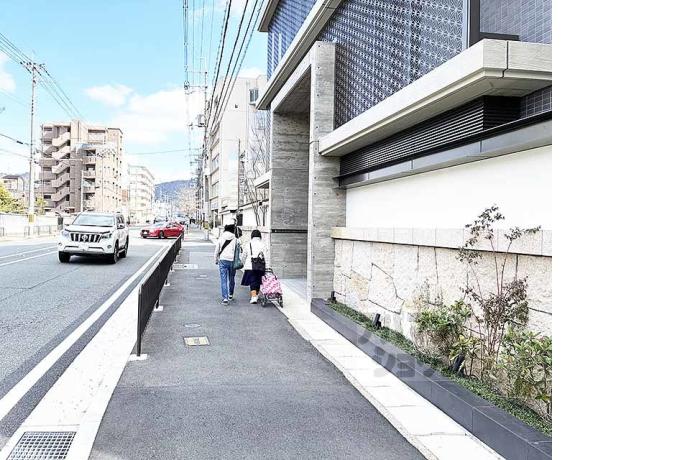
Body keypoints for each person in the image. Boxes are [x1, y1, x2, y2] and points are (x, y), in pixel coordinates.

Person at [214, 224, 242, 304]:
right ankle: (230, 294)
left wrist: (216, 260)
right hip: (232, 261)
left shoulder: (221, 238)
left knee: (223, 279)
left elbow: (216, 250)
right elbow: (239, 251)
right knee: (232, 278)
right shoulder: (236, 239)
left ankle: (225, 298)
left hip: (223, 260)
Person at [241, 230, 266, 304]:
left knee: (252, 281)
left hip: (250, 266)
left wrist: (242, 263)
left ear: (252, 236)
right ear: (260, 236)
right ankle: (256, 295)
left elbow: (244, 255)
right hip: (260, 266)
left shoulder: (248, 244)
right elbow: (265, 256)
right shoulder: (263, 244)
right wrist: (267, 266)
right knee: (258, 281)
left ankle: (254, 296)